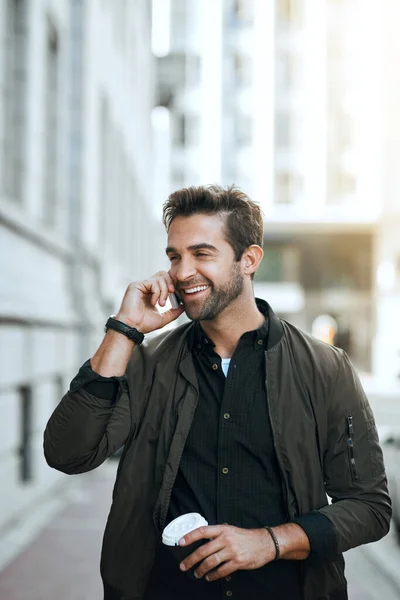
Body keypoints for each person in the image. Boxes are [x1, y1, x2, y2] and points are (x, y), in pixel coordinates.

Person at [44, 185, 391, 600]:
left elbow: (369, 507)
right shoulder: (148, 363)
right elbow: (67, 454)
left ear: (249, 259)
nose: (182, 271)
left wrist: (269, 541)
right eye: (175, 256)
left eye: (201, 254)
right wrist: (125, 329)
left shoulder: (325, 368)